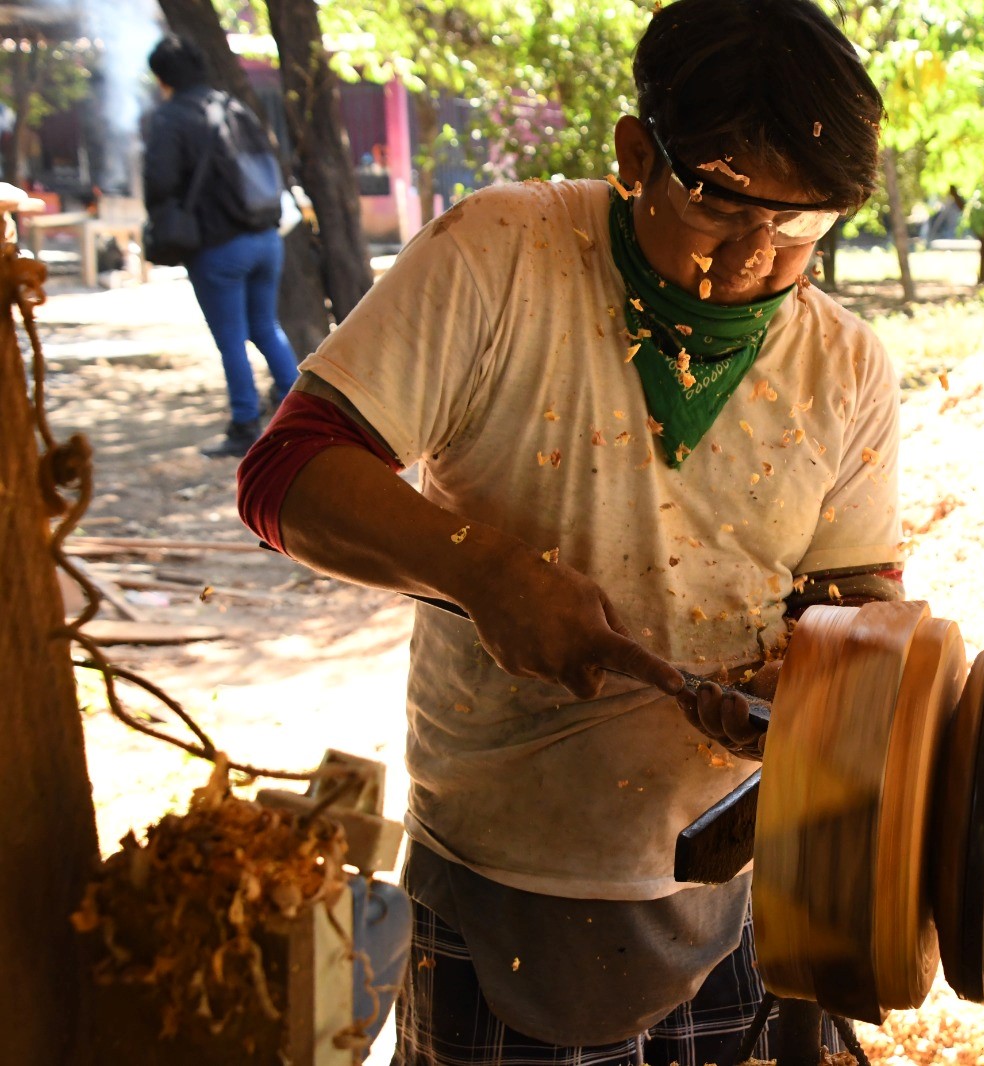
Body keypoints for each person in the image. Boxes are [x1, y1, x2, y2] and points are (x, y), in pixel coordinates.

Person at [236, 1, 903, 1061]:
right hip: (508, 873)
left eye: (804, 223)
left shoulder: (844, 362)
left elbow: (855, 601)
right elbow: (285, 474)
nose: (757, 260)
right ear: (637, 156)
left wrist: (823, 674)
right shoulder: (502, 256)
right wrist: (483, 569)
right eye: (722, 205)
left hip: (732, 879)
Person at [144, 34, 300, 459]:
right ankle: (300, 408)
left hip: (218, 247)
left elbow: (159, 181)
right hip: (267, 238)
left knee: (231, 338)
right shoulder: (232, 106)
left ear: (162, 78)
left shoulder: (171, 118)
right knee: (266, 327)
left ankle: (244, 424)